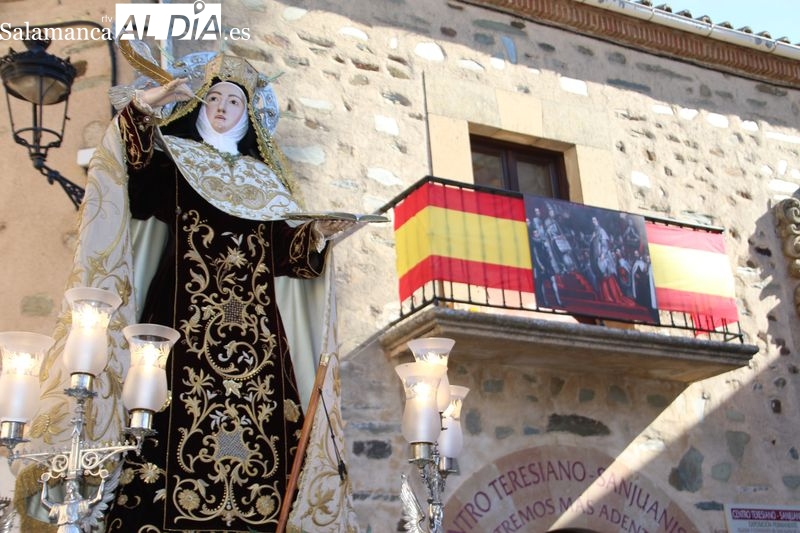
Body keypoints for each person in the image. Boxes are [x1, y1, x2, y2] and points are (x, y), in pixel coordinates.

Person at [99, 54, 352, 532]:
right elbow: (135, 178)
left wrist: (317, 232)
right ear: (199, 105)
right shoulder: (177, 160)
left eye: (233, 100)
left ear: (247, 114)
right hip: (182, 319)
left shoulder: (265, 180)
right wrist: (144, 107)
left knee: (264, 428)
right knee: (167, 414)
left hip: (257, 336)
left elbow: (284, 252)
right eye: (213, 97)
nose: (221, 106)